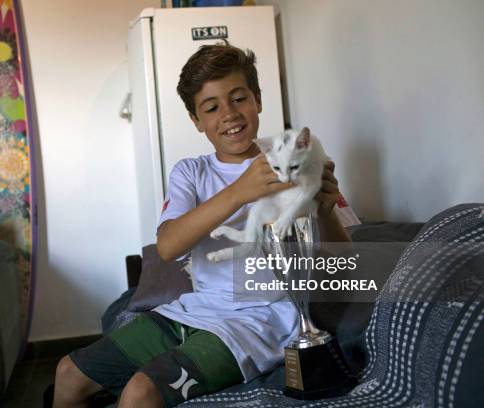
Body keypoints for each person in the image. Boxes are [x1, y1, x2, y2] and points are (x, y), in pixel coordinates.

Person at [53, 43, 352, 408]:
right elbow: (167, 246)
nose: (228, 114)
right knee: (67, 373)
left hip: (257, 322)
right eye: (211, 107)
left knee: (140, 392)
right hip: (194, 309)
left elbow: (346, 262)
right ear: (197, 121)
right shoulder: (191, 172)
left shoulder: (295, 158)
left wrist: (325, 210)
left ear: (258, 99)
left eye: (239, 98)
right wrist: (240, 191)